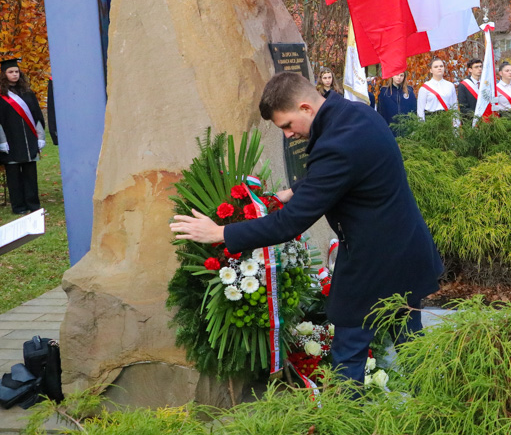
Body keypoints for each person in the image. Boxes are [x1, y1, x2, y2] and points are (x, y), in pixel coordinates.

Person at [170, 71, 443, 383]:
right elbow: (354, 170)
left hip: (374, 266)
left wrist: (221, 233)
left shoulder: (335, 145)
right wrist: (295, 190)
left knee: (348, 357)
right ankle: (438, 416)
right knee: (415, 350)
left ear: (305, 108)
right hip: (407, 252)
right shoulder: (357, 114)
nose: (288, 135)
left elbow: (290, 223)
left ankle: (349, 429)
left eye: (287, 125)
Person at [0, 58, 46, 214]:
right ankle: (18, 206)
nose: (14, 75)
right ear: (4, 74)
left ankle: (33, 205)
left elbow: (37, 116)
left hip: (29, 140)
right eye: (10, 72)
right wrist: (2, 141)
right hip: (10, 141)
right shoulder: (1, 96)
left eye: (16, 72)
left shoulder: (27, 93)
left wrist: (40, 137)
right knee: (13, 176)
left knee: (30, 175)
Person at [417, 58, 457, 122]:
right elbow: (420, 110)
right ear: (431, 70)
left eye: (441, 66)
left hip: (446, 119)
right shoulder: (425, 88)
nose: (439, 68)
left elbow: (454, 106)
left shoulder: (450, 86)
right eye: (436, 67)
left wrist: (456, 126)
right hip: (431, 120)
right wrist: (422, 126)